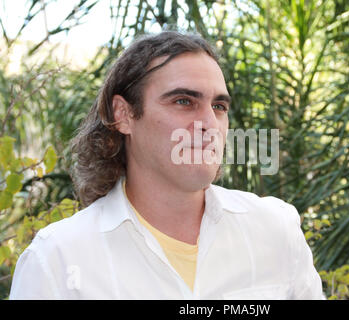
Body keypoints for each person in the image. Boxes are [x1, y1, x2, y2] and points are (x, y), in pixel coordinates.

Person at [9, 31, 324, 299]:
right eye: (184, 101)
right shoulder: (56, 262)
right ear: (124, 114)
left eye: (219, 106)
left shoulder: (275, 232)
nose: (209, 123)